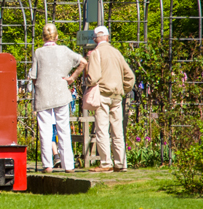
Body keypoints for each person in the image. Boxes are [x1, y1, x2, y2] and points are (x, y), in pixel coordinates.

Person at [26, 23, 85, 173]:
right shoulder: (64, 50)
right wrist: (72, 77)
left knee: (45, 131)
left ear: (42, 37)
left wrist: (40, 84)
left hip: (43, 95)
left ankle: (48, 165)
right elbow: (83, 62)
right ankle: (69, 165)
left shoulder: (38, 52)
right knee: (63, 129)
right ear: (57, 37)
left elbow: (33, 76)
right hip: (61, 93)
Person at [85, 25, 136, 172]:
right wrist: (124, 89)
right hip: (117, 96)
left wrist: (88, 81)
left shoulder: (96, 53)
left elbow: (93, 78)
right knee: (118, 130)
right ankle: (121, 163)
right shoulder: (116, 53)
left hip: (102, 95)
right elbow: (130, 76)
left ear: (95, 39)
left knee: (102, 129)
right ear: (107, 37)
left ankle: (106, 163)